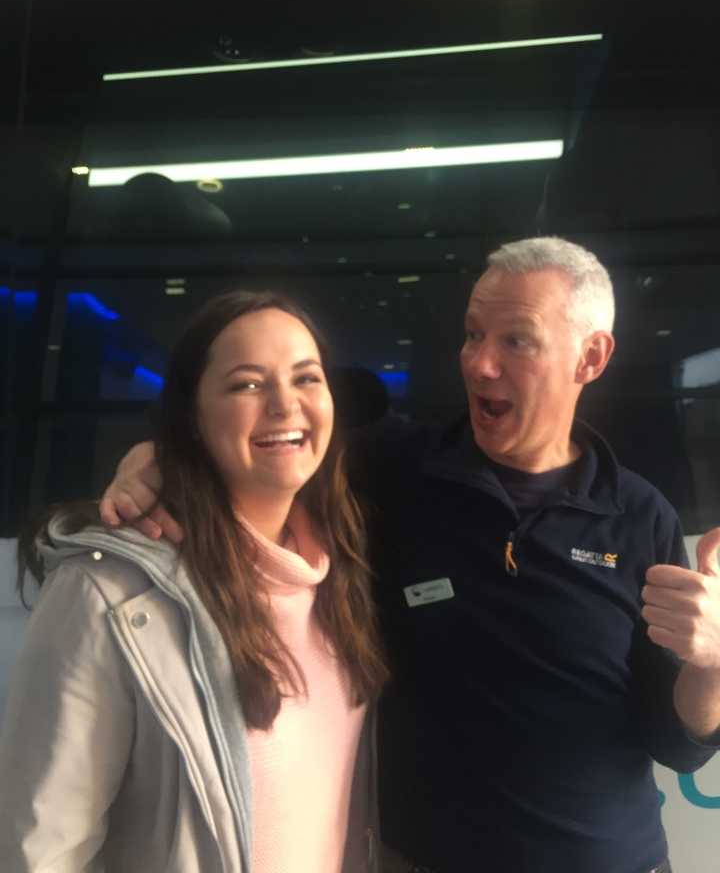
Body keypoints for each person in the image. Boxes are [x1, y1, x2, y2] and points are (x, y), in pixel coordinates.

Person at [100, 237, 720, 873]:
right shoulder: (392, 470)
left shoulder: (639, 516)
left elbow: (678, 744)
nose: (479, 364)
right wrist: (157, 459)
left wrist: (711, 663)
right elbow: (265, 445)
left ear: (589, 357)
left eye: (516, 341)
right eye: (473, 335)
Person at [0, 290, 388, 873]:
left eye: (306, 378)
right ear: (192, 418)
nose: (286, 404)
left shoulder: (339, 573)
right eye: (247, 384)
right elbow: (42, 848)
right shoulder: (110, 594)